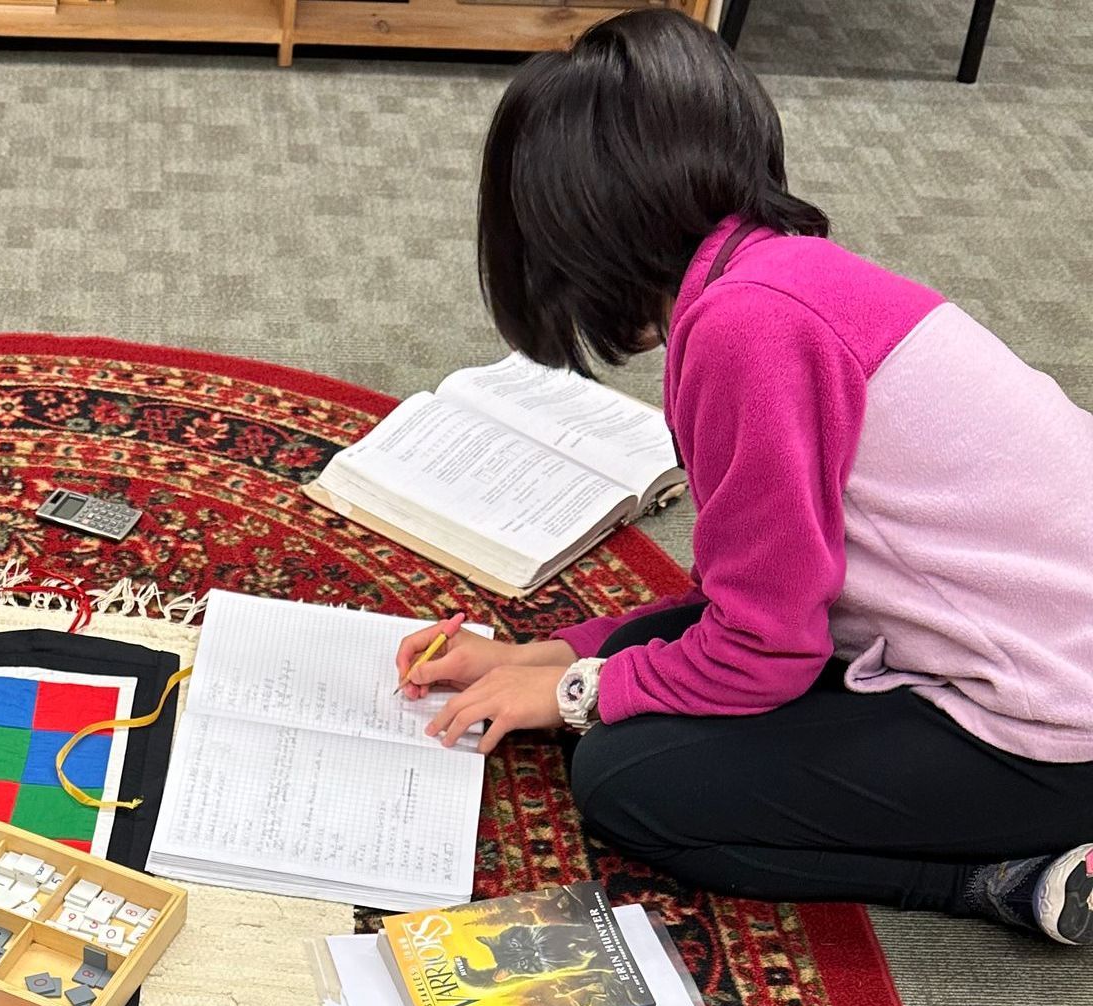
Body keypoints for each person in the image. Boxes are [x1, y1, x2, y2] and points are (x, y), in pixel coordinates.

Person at [394, 8, 1093, 944]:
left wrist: (572, 697)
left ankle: (996, 877)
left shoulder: (741, 331)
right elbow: (755, 592)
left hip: (1050, 729)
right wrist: (546, 655)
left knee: (632, 784)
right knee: (658, 682)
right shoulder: (780, 274)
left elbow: (765, 652)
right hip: (1021, 642)